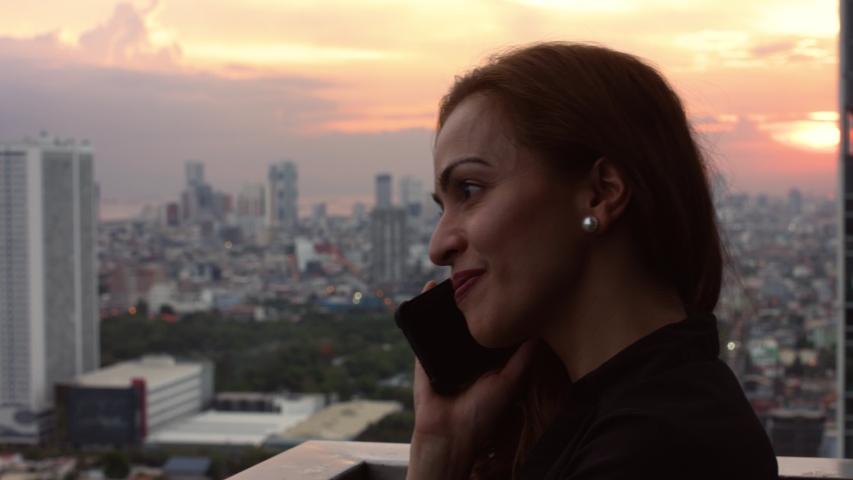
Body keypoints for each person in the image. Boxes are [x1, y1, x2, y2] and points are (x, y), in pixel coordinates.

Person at [406, 42, 778, 480]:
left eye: (469, 190)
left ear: (600, 194)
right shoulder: (636, 414)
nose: (438, 245)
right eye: (441, 206)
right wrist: (441, 444)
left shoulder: (651, 451)